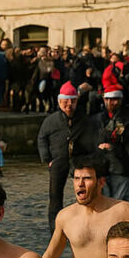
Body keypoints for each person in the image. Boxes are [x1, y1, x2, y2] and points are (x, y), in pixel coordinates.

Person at [38, 81, 99, 232]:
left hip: (79, 160)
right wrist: (47, 160)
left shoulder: (84, 119)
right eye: (65, 101)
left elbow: (93, 138)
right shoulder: (51, 120)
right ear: (59, 101)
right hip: (58, 161)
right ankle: (55, 229)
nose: (69, 104)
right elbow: (42, 139)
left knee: (84, 193)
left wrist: (91, 158)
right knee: (55, 197)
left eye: (72, 101)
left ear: (77, 101)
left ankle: (86, 224)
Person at [97, 82, 129, 204]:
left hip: (124, 166)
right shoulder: (99, 117)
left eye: (114, 99)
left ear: (120, 99)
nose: (111, 103)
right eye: (108, 99)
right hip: (103, 167)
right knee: (105, 205)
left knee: (123, 205)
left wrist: (121, 137)